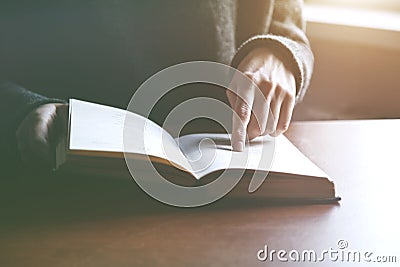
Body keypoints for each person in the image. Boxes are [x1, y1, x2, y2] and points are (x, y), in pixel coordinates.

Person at [0, 0, 313, 170]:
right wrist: (20, 106)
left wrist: (278, 53)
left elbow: (284, 21)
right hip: (57, 170)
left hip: (227, 176)